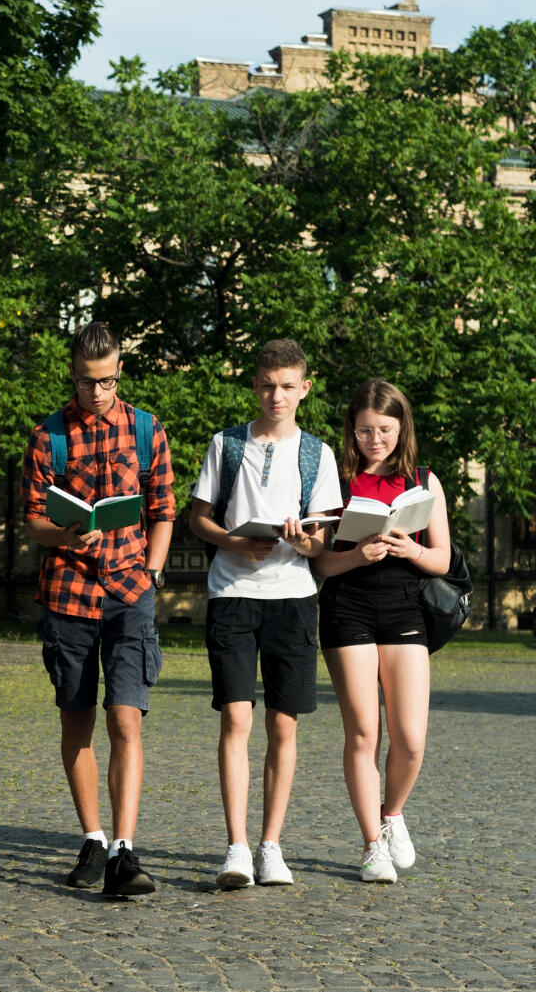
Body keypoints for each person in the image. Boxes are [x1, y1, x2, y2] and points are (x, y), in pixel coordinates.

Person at [21, 322, 176, 898]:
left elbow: (162, 507)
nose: (98, 392)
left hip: (131, 592)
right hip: (68, 593)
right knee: (77, 717)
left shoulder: (145, 428)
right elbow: (33, 519)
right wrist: (64, 536)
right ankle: (91, 835)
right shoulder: (48, 436)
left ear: (119, 372)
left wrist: (154, 572)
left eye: (108, 381)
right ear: (73, 375)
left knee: (126, 718)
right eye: (88, 383)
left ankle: (124, 850)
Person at [188, 338, 341, 889]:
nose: (277, 395)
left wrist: (304, 543)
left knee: (283, 724)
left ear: (305, 387)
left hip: (293, 600)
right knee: (236, 718)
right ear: (255, 385)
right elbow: (197, 518)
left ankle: (271, 846)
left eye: (287, 386)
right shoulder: (226, 445)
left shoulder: (317, 453)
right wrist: (231, 540)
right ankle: (236, 848)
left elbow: (321, 540)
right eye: (267, 385)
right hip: (231, 596)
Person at [311, 379, 451, 883]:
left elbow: (441, 558)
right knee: (364, 732)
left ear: (401, 428)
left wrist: (409, 549)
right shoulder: (336, 480)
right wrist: (357, 554)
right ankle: (372, 845)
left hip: (404, 607)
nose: (375, 440)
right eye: (366, 430)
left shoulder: (423, 480)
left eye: (385, 430)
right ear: (352, 430)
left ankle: (392, 814)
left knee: (411, 739)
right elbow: (321, 563)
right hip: (347, 607)